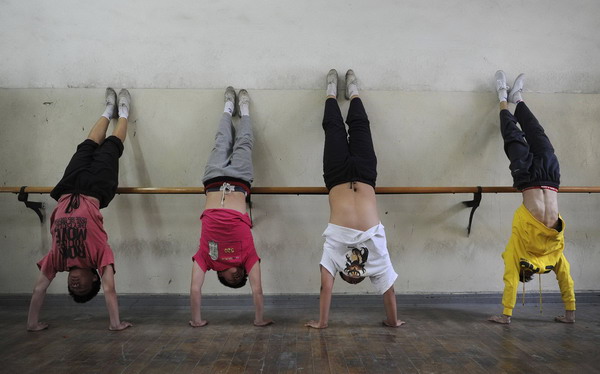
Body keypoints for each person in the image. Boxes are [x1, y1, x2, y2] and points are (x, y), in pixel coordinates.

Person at [305, 69, 405, 329]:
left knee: (333, 129)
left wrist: (322, 322)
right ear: (362, 273)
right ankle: (353, 91)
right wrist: (393, 322)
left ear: (342, 272)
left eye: (346, 275)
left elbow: (325, 286)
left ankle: (330, 92)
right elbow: (389, 292)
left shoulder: (334, 254)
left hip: (336, 176)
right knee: (361, 127)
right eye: (354, 276)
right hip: (366, 176)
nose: (351, 271)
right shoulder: (378, 258)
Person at [27, 88, 133, 332]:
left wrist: (32, 323)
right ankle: (123, 112)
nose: (75, 283)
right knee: (111, 146)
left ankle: (108, 110)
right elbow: (110, 289)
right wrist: (115, 324)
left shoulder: (57, 260)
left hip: (68, 187)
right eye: (82, 286)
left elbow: (39, 288)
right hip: (95, 189)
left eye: (72, 287)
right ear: (94, 277)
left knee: (86, 145)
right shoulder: (100, 257)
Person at [488, 71, 576, 324]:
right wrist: (569, 313)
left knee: (512, 136)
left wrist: (506, 315)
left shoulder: (519, 249)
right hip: (550, 179)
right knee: (537, 133)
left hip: (528, 178)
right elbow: (566, 279)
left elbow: (509, 278)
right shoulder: (555, 253)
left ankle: (502, 98)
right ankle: (518, 99)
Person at [189, 87, 273, 328]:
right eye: (241, 279)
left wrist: (196, 320)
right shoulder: (248, 257)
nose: (237, 277)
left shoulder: (208, 258)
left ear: (220, 274)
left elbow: (195, 288)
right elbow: (257, 289)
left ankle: (228, 107)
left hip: (214, 180)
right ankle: (244, 110)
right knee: (244, 144)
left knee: (222, 141)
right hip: (239, 182)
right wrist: (259, 319)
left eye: (231, 281)